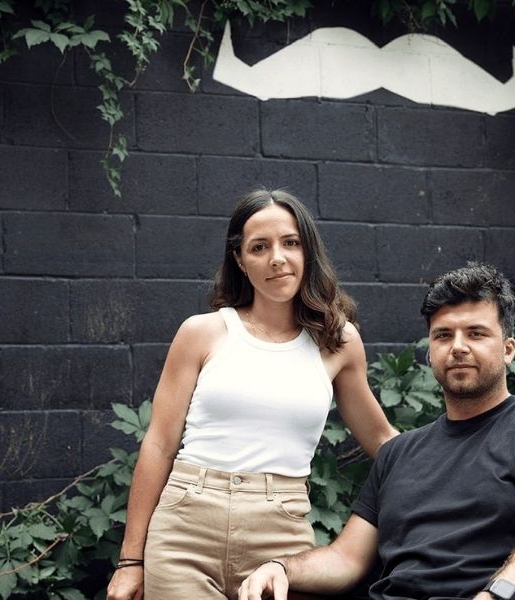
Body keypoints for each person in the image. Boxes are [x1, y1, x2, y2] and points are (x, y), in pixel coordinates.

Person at [239, 263, 515, 600]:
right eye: (443, 335)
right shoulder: (398, 453)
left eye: (476, 333)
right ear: (430, 352)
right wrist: (282, 567)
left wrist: (496, 596)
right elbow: (346, 558)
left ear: (508, 350)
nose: (458, 347)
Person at [106, 189, 397, 600]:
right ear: (241, 261)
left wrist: (455, 467)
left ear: (307, 251)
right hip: (185, 528)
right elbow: (159, 443)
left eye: (290, 243)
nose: (277, 258)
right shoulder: (201, 332)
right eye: (259, 247)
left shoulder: (338, 341)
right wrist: (131, 560)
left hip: (280, 536)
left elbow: (382, 439)